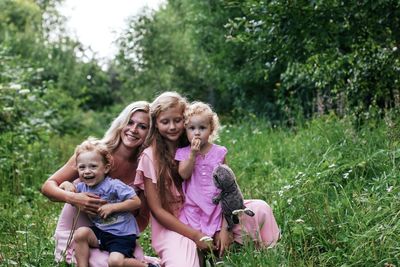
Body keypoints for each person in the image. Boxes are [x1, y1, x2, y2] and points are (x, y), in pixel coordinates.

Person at [134, 92, 280, 267]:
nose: (172, 127)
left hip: (211, 211)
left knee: (260, 208)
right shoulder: (150, 156)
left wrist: (224, 227)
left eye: (178, 120)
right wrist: (196, 235)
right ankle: (197, 253)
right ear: (156, 124)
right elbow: (157, 211)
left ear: (186, 120)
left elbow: (226, 191)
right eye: (165, 122)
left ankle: (268, 254)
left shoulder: (196, 145)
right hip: (176, 224)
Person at [41, 101, 160, 267]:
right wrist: (74, 198)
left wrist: (119, 220)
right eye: (130, 122)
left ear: (150, 133)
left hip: (110, 236)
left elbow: (142, 218)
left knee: (124, 260)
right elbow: (48, 186)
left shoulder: (144, 165)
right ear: (121, 123)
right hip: (76, 234)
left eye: (142, 126)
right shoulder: (93, 152)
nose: (133, 130)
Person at [59, 138, 156, 267]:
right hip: (101, 231)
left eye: (93, 166)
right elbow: (62, 187)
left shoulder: (114, 186)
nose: (87, 171)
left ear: (106, 168)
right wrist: (66, 186)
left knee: (114, 262)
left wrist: (113, 207)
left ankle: (147, 266)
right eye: (82, 167)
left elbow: (136, 202)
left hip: (122, 234)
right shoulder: (82, 188)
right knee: (81, 233)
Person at [175, 101, 227, 241]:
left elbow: (227, 181)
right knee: (197, 242)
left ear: (211, 129)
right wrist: (192, 154)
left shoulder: (219, 152)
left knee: (216, 243)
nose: (197, 132)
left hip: (215, 207)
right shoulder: (183, 152)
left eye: (202, 128)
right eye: (192, 128)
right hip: (192, 208)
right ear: (185, 130)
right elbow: (184, 174)